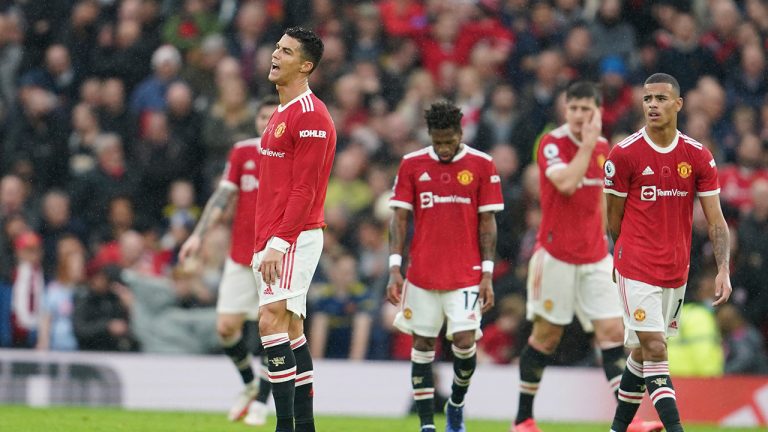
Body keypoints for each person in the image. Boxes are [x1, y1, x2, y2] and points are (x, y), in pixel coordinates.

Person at [512, 82, 653, 432]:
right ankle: (523, 418)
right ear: (565, 109)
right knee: (547, 337)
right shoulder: (551, 144)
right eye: (573, 108)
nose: (578, 116)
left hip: (594, 258)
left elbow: (607, 203)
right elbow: (567, 183)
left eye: (586, 109)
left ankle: (628, 420)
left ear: (598, 112)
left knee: (612, 331)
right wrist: (588, 145)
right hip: (556, 255)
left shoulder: (605, 148)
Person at [604, 73, 732, 432]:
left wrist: (723, 269)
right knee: (657, 349)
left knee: (643, 352)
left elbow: (716, 221)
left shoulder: (697, 156)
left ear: (678, 104)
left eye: (661, 99)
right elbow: (613, 219)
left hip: (676, 270)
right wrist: (622, 258)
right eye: (647, 99)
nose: (653, 105)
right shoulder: (624, 154)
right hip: (636, 266)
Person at [387, 100, 504, 432]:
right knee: (422, 344)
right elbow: (398, 218)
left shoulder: (482, 165)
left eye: (449, 141)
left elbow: (488, 224)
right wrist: (395, 268)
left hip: (466, 275)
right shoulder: (412, 164)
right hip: (422, 275)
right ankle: (426, 424)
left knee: (465, 341)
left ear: (460, 133)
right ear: (429, 135)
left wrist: (487, 274)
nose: (443, 148)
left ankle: (456, 403)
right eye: (437, 142)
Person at [253, 27, 336, 432]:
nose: (275, 55)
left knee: (269, 320)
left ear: (306, 65)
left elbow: (305, 188)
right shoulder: (282, 112)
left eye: (286, 51)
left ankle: (284, 425)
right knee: (290, 328)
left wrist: (278, 243)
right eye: (276, 47)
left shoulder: (311, 116)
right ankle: (305, 426)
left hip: (291, 236)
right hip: (273, 234)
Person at [179, 95, 279, 425]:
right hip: (240, 256)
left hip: (275, 258)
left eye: (272, 117)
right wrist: (198, 235)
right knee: (226, 328)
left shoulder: (291, 155)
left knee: (271, 331)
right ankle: (250, 384)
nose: (266, 123)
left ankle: (263, 403)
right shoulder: (243, 152)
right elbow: (223, 197)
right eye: (262, 117)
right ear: (256, 120)